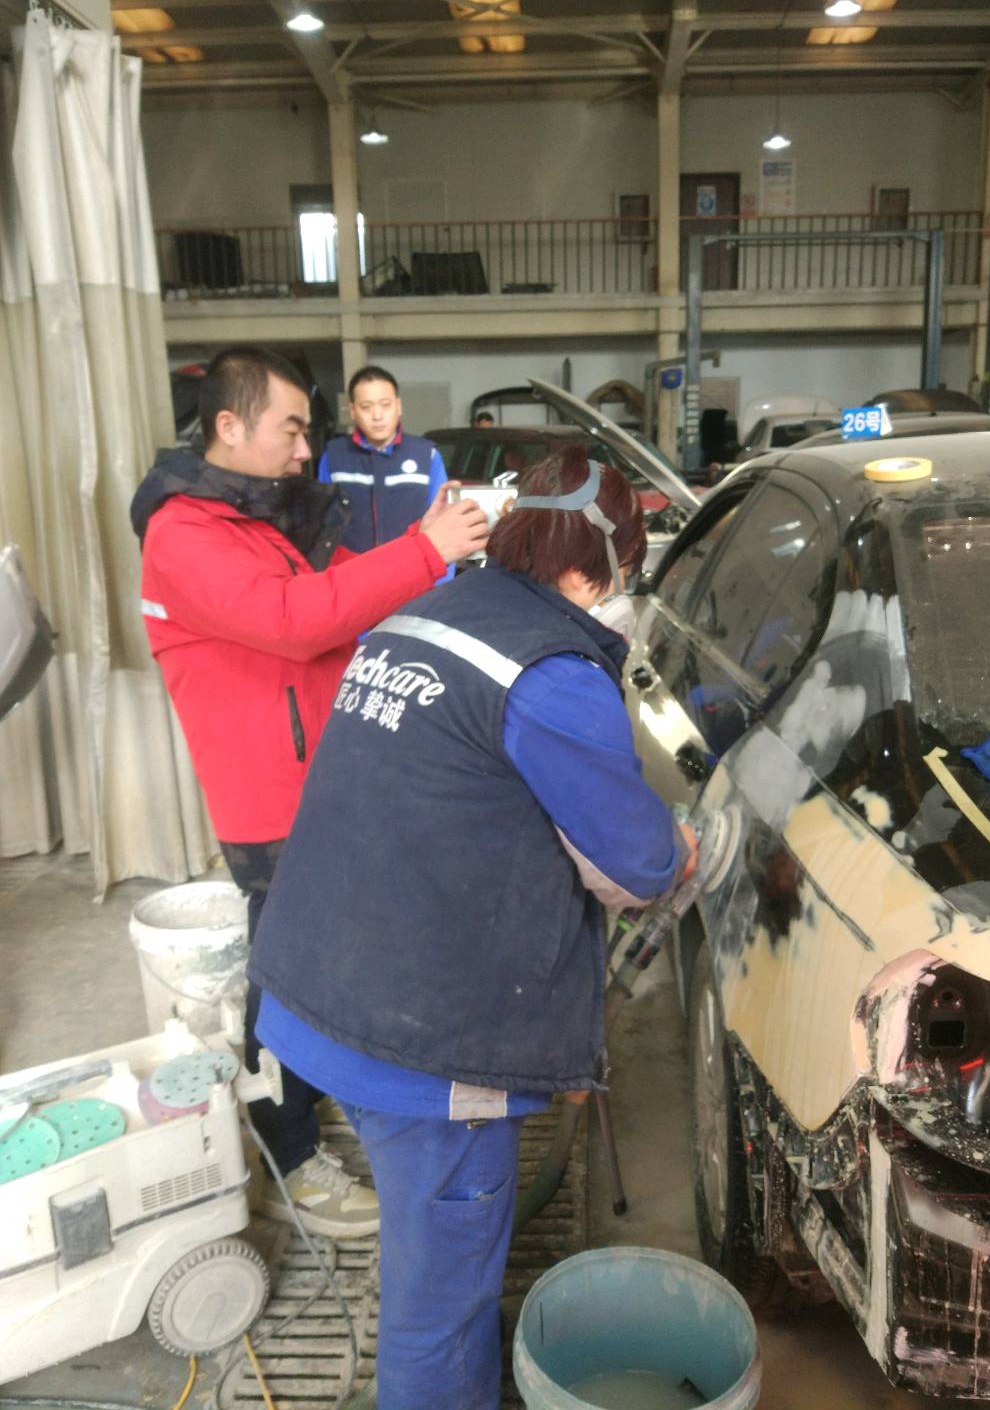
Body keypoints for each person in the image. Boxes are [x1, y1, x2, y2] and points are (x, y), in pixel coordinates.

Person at [247, 446, 698, 1409]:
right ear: (595, 567)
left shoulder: (423, 614)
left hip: (315, 985)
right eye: (626, 570)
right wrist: (685, 846)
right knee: (441, 1311)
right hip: (421, 1048)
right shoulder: (552, 674)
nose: (623, 594)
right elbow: (640, 865)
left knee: (430, 1249)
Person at [130, 346, 488, 1238]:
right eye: (290, 430)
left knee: (327, 962)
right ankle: (288, 1157)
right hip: (269, 801)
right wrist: (425, 550)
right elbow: (295, 622)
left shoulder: (252, 518)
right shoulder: (185, 534)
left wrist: (423, 567)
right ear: (229, 425)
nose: (303, 450)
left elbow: (332, 597)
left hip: (316, 780)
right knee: (288, 977)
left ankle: (323, 1101)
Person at [319, 366, 449, 559]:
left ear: (398, 406)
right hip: (352, 572)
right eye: (366, 407)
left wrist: (440, 575)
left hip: (413, 570)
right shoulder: (334, 456)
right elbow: (323, 524)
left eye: (385, 405)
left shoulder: (426, 456)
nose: (377, 416)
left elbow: (442, 523)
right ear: (353, 411)